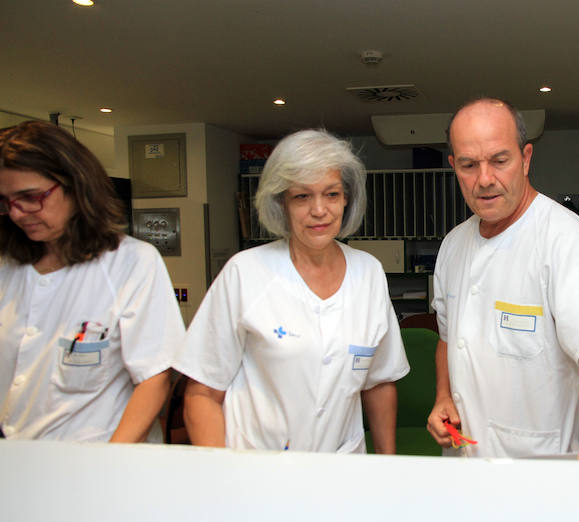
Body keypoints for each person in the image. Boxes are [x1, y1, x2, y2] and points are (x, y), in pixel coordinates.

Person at [174, 129, 408, 453]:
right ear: (281, 202)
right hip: (257, 471)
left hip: (341, 470)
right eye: (302, 196)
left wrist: (386, 467)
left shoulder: (368, 272)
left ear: (347, 199)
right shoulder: (245, 272)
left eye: (331, 194)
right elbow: (202, 393)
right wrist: (221, 477)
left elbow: (379, 382)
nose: (319, 210)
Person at [425, 98, 579, 460]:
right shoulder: (453, 246)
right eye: (469, 165)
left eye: (499, 161)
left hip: (541, 465)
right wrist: (443, 396)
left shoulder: (562, 236)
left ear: (526, 157)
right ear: (454, 166)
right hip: (465, 462)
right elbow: (447, 337)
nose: (484, 180)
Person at [0, 120, 184, 442]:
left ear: (75, 185)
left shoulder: (131, 262)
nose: (18, 213)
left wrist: (108, 460)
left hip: (100, 456)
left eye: (31, 197)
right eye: (6, 201)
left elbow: (155, 377)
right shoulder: (8, 266)